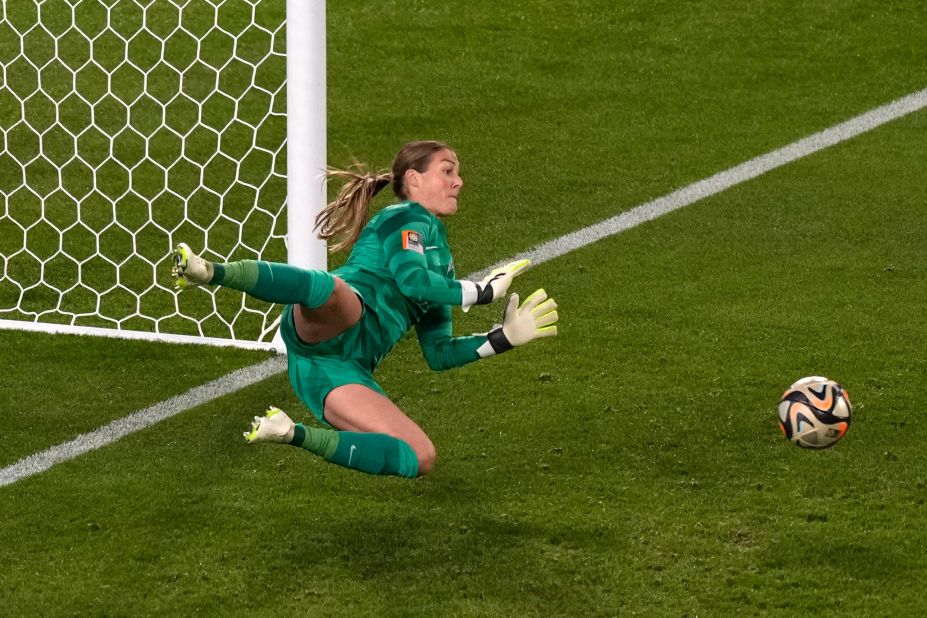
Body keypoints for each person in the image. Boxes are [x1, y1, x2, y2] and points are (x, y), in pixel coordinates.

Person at [171, 140, 559, 479]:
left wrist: (503, 338)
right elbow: (411, 281)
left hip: (337, 368)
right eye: (447, 171)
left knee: (421, 457)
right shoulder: (402, 218)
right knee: (335, 292)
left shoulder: (445, 268)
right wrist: (483, 293)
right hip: (333, 319)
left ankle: (290, 432)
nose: (458, 181)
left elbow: (439, 353)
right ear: (414, 179)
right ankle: (210, 272)